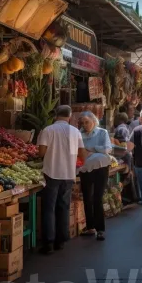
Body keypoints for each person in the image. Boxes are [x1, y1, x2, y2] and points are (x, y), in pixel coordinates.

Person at [37, 105, 87, 254]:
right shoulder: (75, 132)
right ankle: (61, 240)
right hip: (68, 175)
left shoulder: (48, 130)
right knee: (63, 207)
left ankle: (49, 243)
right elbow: (82, 155)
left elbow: (41, 153)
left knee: (49, 208)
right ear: (70, 116)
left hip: (51, 173)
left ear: (56, 115)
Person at [77, 111, 112, 241]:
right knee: (87, 197)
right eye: (83, 123)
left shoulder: (102, 132)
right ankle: (90, 227)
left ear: (94, 121)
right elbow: (79, 151)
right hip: (85, 169)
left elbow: (107, 149)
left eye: (87, 122)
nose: (85, 125)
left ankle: (100, 229)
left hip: (101, 168)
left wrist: (91, 149)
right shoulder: (79, 134)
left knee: (97, 197)